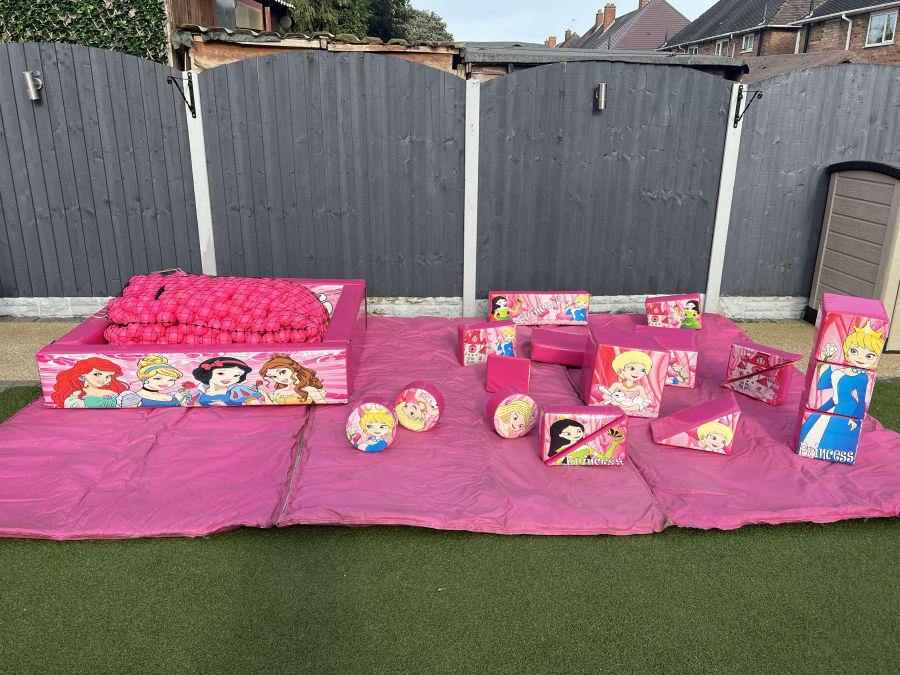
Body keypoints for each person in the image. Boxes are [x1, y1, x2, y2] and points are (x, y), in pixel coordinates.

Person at [51, 357, 128, 408]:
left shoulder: (111, 392)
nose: (104, 379)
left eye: (108, 376)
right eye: (97, 374)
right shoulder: (77, 394)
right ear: (84, 373)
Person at [186, 357, 263, 406]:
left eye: (236, 375)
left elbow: (257, 407)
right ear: (207, 374)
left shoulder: (239, 390)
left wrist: (225, 405)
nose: (228, 378)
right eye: (221, 373)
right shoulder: (199, 394)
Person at [118, 355, 188, 407]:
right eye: (158, 378)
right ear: (144, 379)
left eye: (171, 380)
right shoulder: (132, 398)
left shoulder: (172, 395)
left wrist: (181, 400)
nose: (165, 383)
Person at [259, 354, 326, 404]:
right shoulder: (278, 392)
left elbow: (321, 404)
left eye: (283, 372)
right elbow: (273, 406)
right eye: (273, 377)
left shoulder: (310, 390)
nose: (280, 378)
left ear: (293, 369)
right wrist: (265, 395)